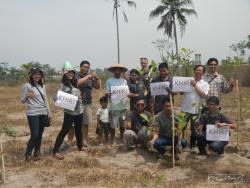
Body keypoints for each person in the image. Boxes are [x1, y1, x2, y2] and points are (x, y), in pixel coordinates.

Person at [52, 61, 89, 160]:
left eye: (72, 72)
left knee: (78, 130)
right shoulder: (62, 85)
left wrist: (79, 96)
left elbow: (78, 92)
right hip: (69, 113)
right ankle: (55, 151)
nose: (70, 74)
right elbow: (58, 97)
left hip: (79, 111)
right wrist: (56, 98)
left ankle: (80, 147)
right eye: (68, 72)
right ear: (65, 74)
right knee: (64, 131)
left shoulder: (75, 83)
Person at [20, 67, 51, 162]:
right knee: (34, 134)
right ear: (31, 75)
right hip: (33, 113)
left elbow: (45, 100)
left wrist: (48, 112)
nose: (37, 76)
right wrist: (27, 96)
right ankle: (28, 154)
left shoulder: (42, 86)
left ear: (41, 76)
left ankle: (37, 153)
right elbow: (22, 100)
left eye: (39, 74)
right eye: (35, 74)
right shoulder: (27, 86)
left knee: (40, 134)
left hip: (43, 112)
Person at [68, 60, 100, 147]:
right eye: (84, 67)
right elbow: (77, 83)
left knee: (85, 123)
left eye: (87, 67)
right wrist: (88, 76)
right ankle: (69, 141)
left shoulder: (91, 77)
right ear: (80, 67)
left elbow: (97, 87)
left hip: (87, 103)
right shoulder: (75, 75)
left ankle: (84, 141)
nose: (86, 69)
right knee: (73, 124)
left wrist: (96, 79)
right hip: (76, 103)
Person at [179, 65, 210, 151]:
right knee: (180, 128)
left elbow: (203, 95)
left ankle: (192, 147)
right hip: (184, 109)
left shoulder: (205, 84)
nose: (198, 71)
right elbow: (181, 93)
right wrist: (182, 87)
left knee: (194, 130)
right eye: (196, 70)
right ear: (194, 71)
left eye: (200, 70)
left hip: (196, 110)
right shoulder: (188, 81)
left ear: (203, 72)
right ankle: (180, 144)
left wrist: (195, 85)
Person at [105, 64, 129, 144]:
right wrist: (108, 94)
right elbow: (106, 93)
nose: (118, 72)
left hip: (123, 106)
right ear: (114, 71)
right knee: (113, 124)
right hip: (114, 106)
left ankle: (122, 138)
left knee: (122, 124)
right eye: (116, 70)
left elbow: (126, 92)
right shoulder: (109, 81)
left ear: (121, 71)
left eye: (119, 70)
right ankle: (113, 139)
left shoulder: (124, 81)